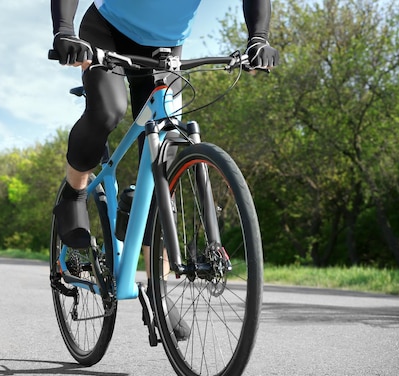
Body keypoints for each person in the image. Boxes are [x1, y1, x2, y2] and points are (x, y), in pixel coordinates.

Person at [51, 0, 279, 250]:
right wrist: (64, 31)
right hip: (106, 31)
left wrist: (258, 38)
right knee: (108, 111)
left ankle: (156, 285)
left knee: (162, 161)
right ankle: (74, 194)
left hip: (165, 48)